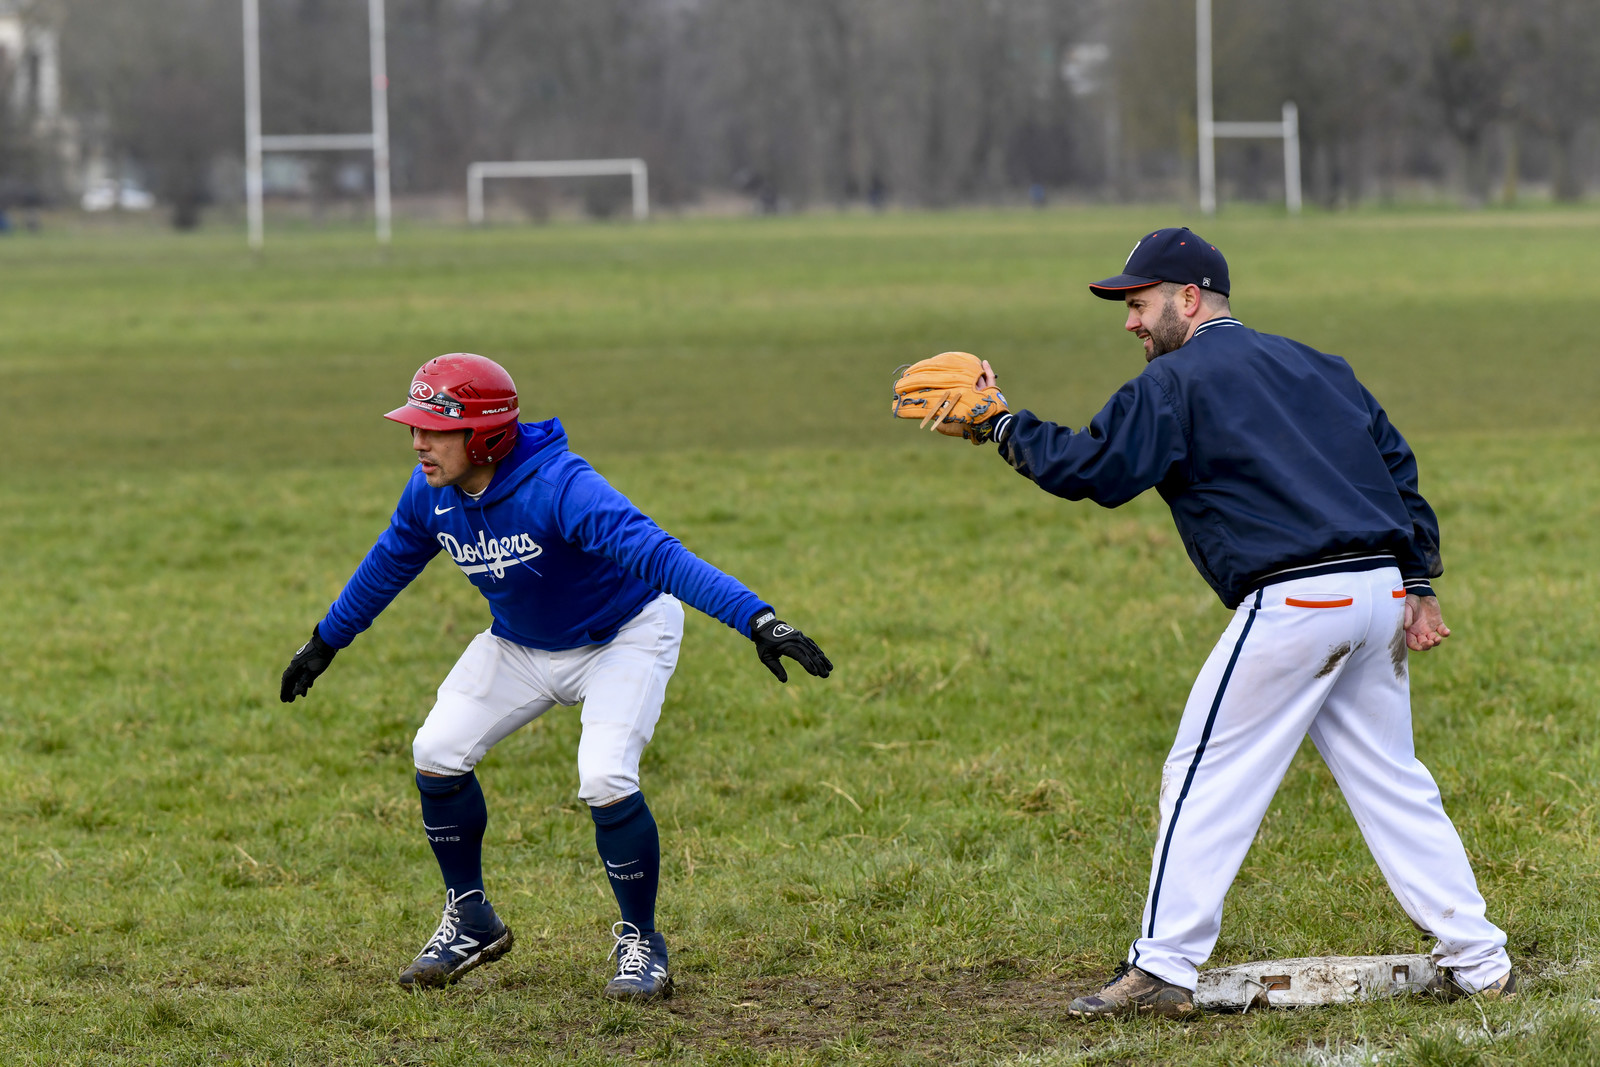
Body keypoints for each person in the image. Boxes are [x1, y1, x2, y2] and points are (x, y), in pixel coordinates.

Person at [970, 228, 1513, 1016]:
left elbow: (1096, 468)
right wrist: (1418, 577)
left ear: (1187, 299)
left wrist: (1002, 425)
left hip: (1300, 603)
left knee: (1203, 775)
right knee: (1394, 782)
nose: (1129, 321)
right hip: (1377, 598)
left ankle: (1161, 967)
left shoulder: (1175, 382)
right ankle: (1481, 959)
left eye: (1138, 302)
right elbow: (1396, 466)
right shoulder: (1320, 366)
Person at [280, 353, 832, 998]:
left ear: (484, 433)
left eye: (435, 428)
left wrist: (758, 620)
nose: (418, 442)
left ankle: (640, 941)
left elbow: (660, 556)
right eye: (414, 427)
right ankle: (471, 918)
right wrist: (324, 643)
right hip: (521, 644)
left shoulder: (561, 486)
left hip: (623, 637)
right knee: (436, 751)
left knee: (604, 777)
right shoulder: (429, 492)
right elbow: (386, 564)